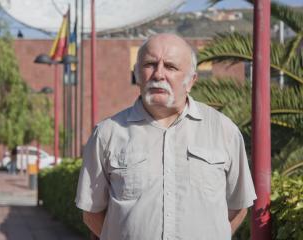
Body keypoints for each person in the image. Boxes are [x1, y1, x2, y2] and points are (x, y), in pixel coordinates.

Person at [75, 33, 257, 240]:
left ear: (191, 81)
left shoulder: (224, 131)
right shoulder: (107, 134)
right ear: (137, 74)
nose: (158, 74)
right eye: (150, 64)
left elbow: (238, 206)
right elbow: (92, 212)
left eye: (170, 67)